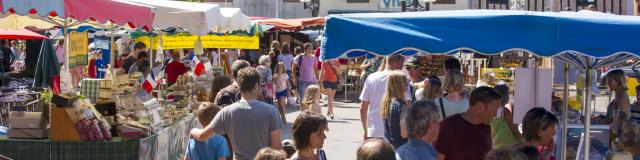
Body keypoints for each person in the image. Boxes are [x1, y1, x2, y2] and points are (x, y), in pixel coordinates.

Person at [191, 67, 283, 160]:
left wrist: (192, 131)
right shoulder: (271, 111)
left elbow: (202, 136)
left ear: (239, 86)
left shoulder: (226, 112)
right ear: (256, 86)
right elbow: (277, 149)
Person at [435, 86, 502, 160]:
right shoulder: (449, 126)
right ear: (480, 107)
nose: (495, 115)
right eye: (493, 111)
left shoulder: (486, 128)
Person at [360, 54, 407, 139]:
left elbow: (363, 107)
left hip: (374, 131)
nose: (402, 66)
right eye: (402, 63)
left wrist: (366, 130)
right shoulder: (401, 79)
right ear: (396, 62)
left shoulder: (371, 77)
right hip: (395, 134)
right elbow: (408, 104)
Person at [380, 71, 409, 148]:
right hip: (401, 147)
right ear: (399, 85)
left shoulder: (387, 102)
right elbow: (404, 133)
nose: (407, 83)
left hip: (388, 146)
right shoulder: (402, 106)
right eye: (405, 81)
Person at [490, 84, 522, 149]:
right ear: (505, 98)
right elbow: (515, 131)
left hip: (494, 147)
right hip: (508, 148)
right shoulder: (505, 112)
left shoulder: (488, 111)